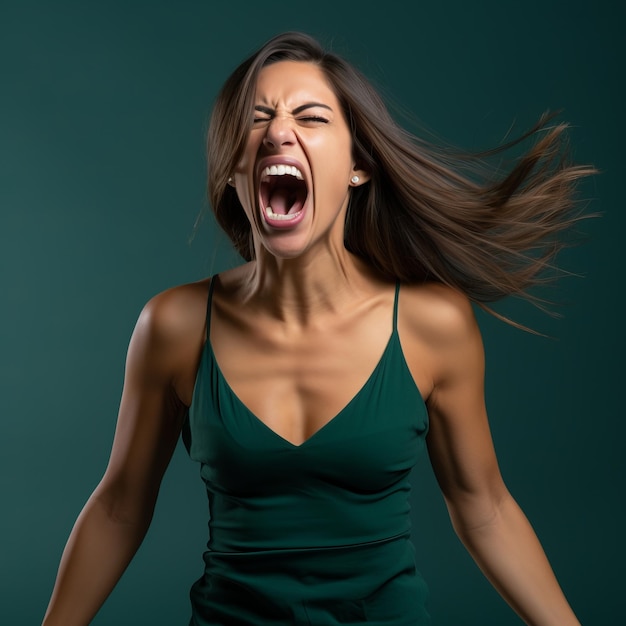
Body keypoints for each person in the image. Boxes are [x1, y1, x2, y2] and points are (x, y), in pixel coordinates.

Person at [42, 32, 593, 625]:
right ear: (233, 172)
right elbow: (120, 508)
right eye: (258, 119)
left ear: (357, 166)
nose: (280, 131)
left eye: (310, 116)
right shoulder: (174, 327)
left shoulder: (432, 324)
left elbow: (484, 508)